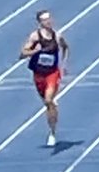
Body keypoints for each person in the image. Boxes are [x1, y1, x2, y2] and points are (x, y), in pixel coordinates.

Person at [20, 9, 68, 147]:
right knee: (48, 104)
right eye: (45, 19)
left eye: (49, 18)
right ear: (40, 23)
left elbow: (65, 47)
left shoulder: (57, 36)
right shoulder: (35, 37)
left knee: (48, 100)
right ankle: (51, 104)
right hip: (38, 74)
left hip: (52, 73)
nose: (49, 21)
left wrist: (63, 64)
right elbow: (23, 52)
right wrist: (35, 50)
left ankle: (52, 133)